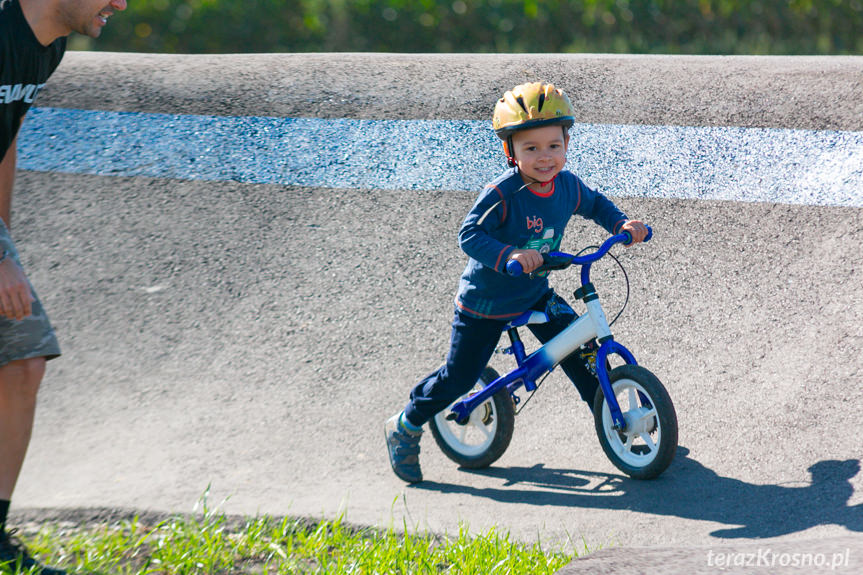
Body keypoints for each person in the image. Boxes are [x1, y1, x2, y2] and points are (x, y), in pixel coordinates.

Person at [385, 82, 649, 483]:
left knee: (582, 351)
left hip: (534, 293)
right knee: (459, 376)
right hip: (484, 304)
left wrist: (621, 224)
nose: (545, 157)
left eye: (553, 146)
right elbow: (469, 235)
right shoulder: (503, 194)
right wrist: (508, 255)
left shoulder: (568, 186)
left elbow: (594, 204)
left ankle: (623, 424)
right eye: (531, 148)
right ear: (511, 152)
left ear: (566, 143)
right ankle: (406, 424)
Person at [0, 1, 127, 572]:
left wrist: (7, 250)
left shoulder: (45, 46)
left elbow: (4, 142)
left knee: (23, 358)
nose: (121, 3)